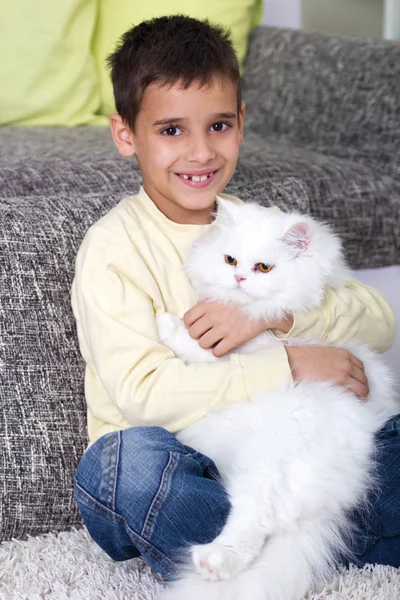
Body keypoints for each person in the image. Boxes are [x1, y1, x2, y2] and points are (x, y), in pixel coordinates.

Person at [71, 15, 399, 581]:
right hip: (187, 460)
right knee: (126, 467)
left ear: (242, 124)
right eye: (171, 130)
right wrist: (292, 361)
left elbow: (378, 321)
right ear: (126, 134)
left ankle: (291, 534)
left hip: (290, 455)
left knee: (379, 441)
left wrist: (277, 318)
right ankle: (336, 533)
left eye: (218, 125)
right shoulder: (112, 250)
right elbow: (147, 395)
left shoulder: (257, 227)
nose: (200, 153)